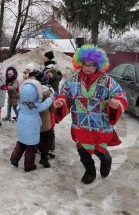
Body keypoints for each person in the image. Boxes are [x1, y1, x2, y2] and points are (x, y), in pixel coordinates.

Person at [53, 45, 128, 184]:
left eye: (91, 65)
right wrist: (60, 102)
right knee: (83, 152)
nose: (87, 68)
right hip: (80, 124)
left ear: (98, 65)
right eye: (85, 65)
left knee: (100, 151)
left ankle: (106, 160)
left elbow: (120, 95)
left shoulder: (107, 81)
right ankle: (90, 171)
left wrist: (115, 103)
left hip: (100, 125)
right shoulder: (73, 80)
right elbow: (64, 94)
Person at [10, 79, 54, 172]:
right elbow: (45, 105)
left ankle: (14, 157)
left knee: (21, 143)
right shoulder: (35, 106)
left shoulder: (21, 103)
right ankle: (29, 166)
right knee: (31, 148)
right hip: (32, 130)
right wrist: (50, 97)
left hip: (21, 127)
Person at [42, 50, 62, 158]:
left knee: (49, 126)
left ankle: (50, 148)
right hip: (53, 93)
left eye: (44, 57)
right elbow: (59, 77)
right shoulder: (55, 68)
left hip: (50, 94)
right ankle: (49, 147)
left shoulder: (49, 69)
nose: (43, 58)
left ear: (48, 58)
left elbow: (53, 78)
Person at [35, 71, 55, 168]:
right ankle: (44, 158)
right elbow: (52, 109)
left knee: (36, 138)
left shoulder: (33, 90)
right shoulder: (48, 93)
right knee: (46, 140)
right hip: (46, 122)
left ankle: (33, 153)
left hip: (34, 120)